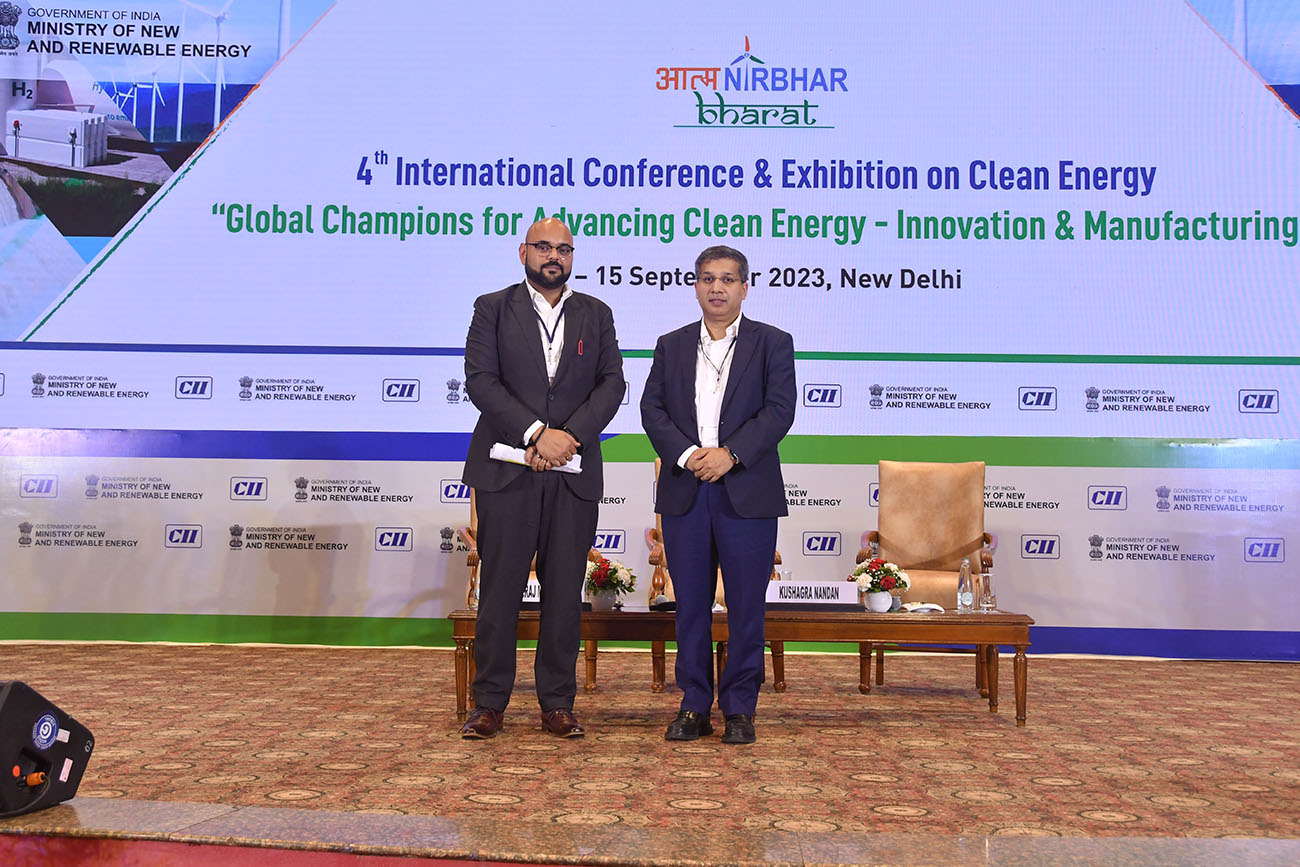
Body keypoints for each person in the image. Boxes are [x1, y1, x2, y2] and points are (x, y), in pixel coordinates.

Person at [458, 217, 625, 739]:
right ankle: (489, 703)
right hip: (508, 472)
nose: (554, 256)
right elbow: (480, 380)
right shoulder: (492, 308)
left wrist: (567, 438)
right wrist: (535, 434)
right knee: (500, 592)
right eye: (544, 247)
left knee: (564, 595)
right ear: (523, 252)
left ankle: (558, 703)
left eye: (564, 249)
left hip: (572, 472)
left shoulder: (596, 313)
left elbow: (612, 384)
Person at [640, 245, 795, 744]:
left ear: (744, 288)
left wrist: (731, 454)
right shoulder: (671, 344)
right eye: (707, 278)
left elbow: (779, 410)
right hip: (686, 490)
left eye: (727, 279)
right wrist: (688, 455)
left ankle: (740, 709)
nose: (717, 288)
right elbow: (652, 410)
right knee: (690, 607)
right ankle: (693, 705)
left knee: (747, 607)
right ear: (696, 286)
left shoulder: (773, 343)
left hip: (746, 491)